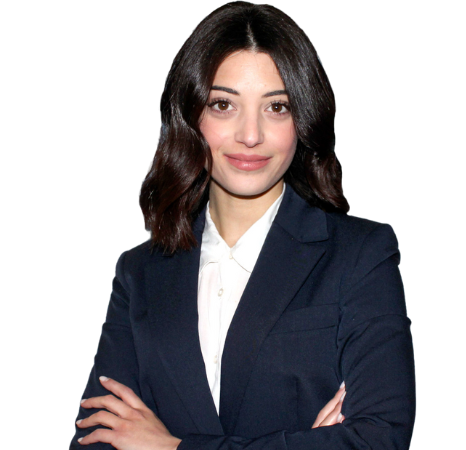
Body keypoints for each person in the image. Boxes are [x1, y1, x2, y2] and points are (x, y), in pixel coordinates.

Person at [70, 2, 416, 449]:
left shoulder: (361, 254)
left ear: (303, 119)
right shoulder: (139, 273)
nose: (250, 135)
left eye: (277, 107)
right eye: (223, 104)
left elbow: (379, 439)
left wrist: (171, 447)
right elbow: (97, 439)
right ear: (190, 115)